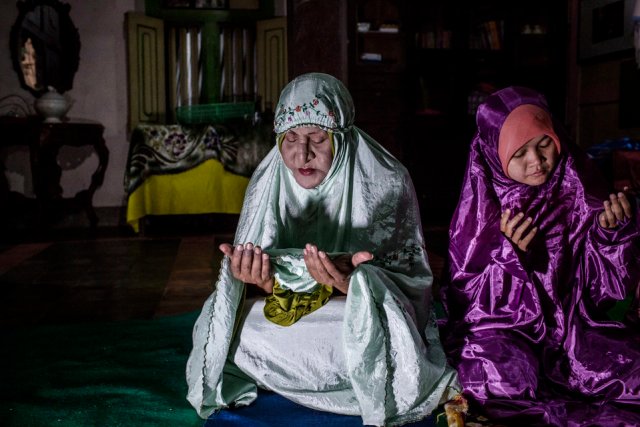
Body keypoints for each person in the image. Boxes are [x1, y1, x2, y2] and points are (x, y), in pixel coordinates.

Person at [186, 73, 460, 426]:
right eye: (290, 139)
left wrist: (352, 285)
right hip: (287, 315)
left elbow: (414, 287)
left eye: (318, 138)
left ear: (342, 137)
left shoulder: (387, 180)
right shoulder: (268, 180)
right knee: (227, 325)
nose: (302, 153)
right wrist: (258, 281)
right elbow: (252, 287)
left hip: (348, 317)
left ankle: (296, 377)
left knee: (366, 338)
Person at [441, 85, 640, 426]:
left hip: (577, 327)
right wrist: (509, 257)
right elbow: (466, 299)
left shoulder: (580, 185)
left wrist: (612, 237)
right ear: (496, 153)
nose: (536, 162)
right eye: (519, 153)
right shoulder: (481, 208)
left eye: (544, 143)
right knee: (497, 379)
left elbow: (605, 296)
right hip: (505, 330)